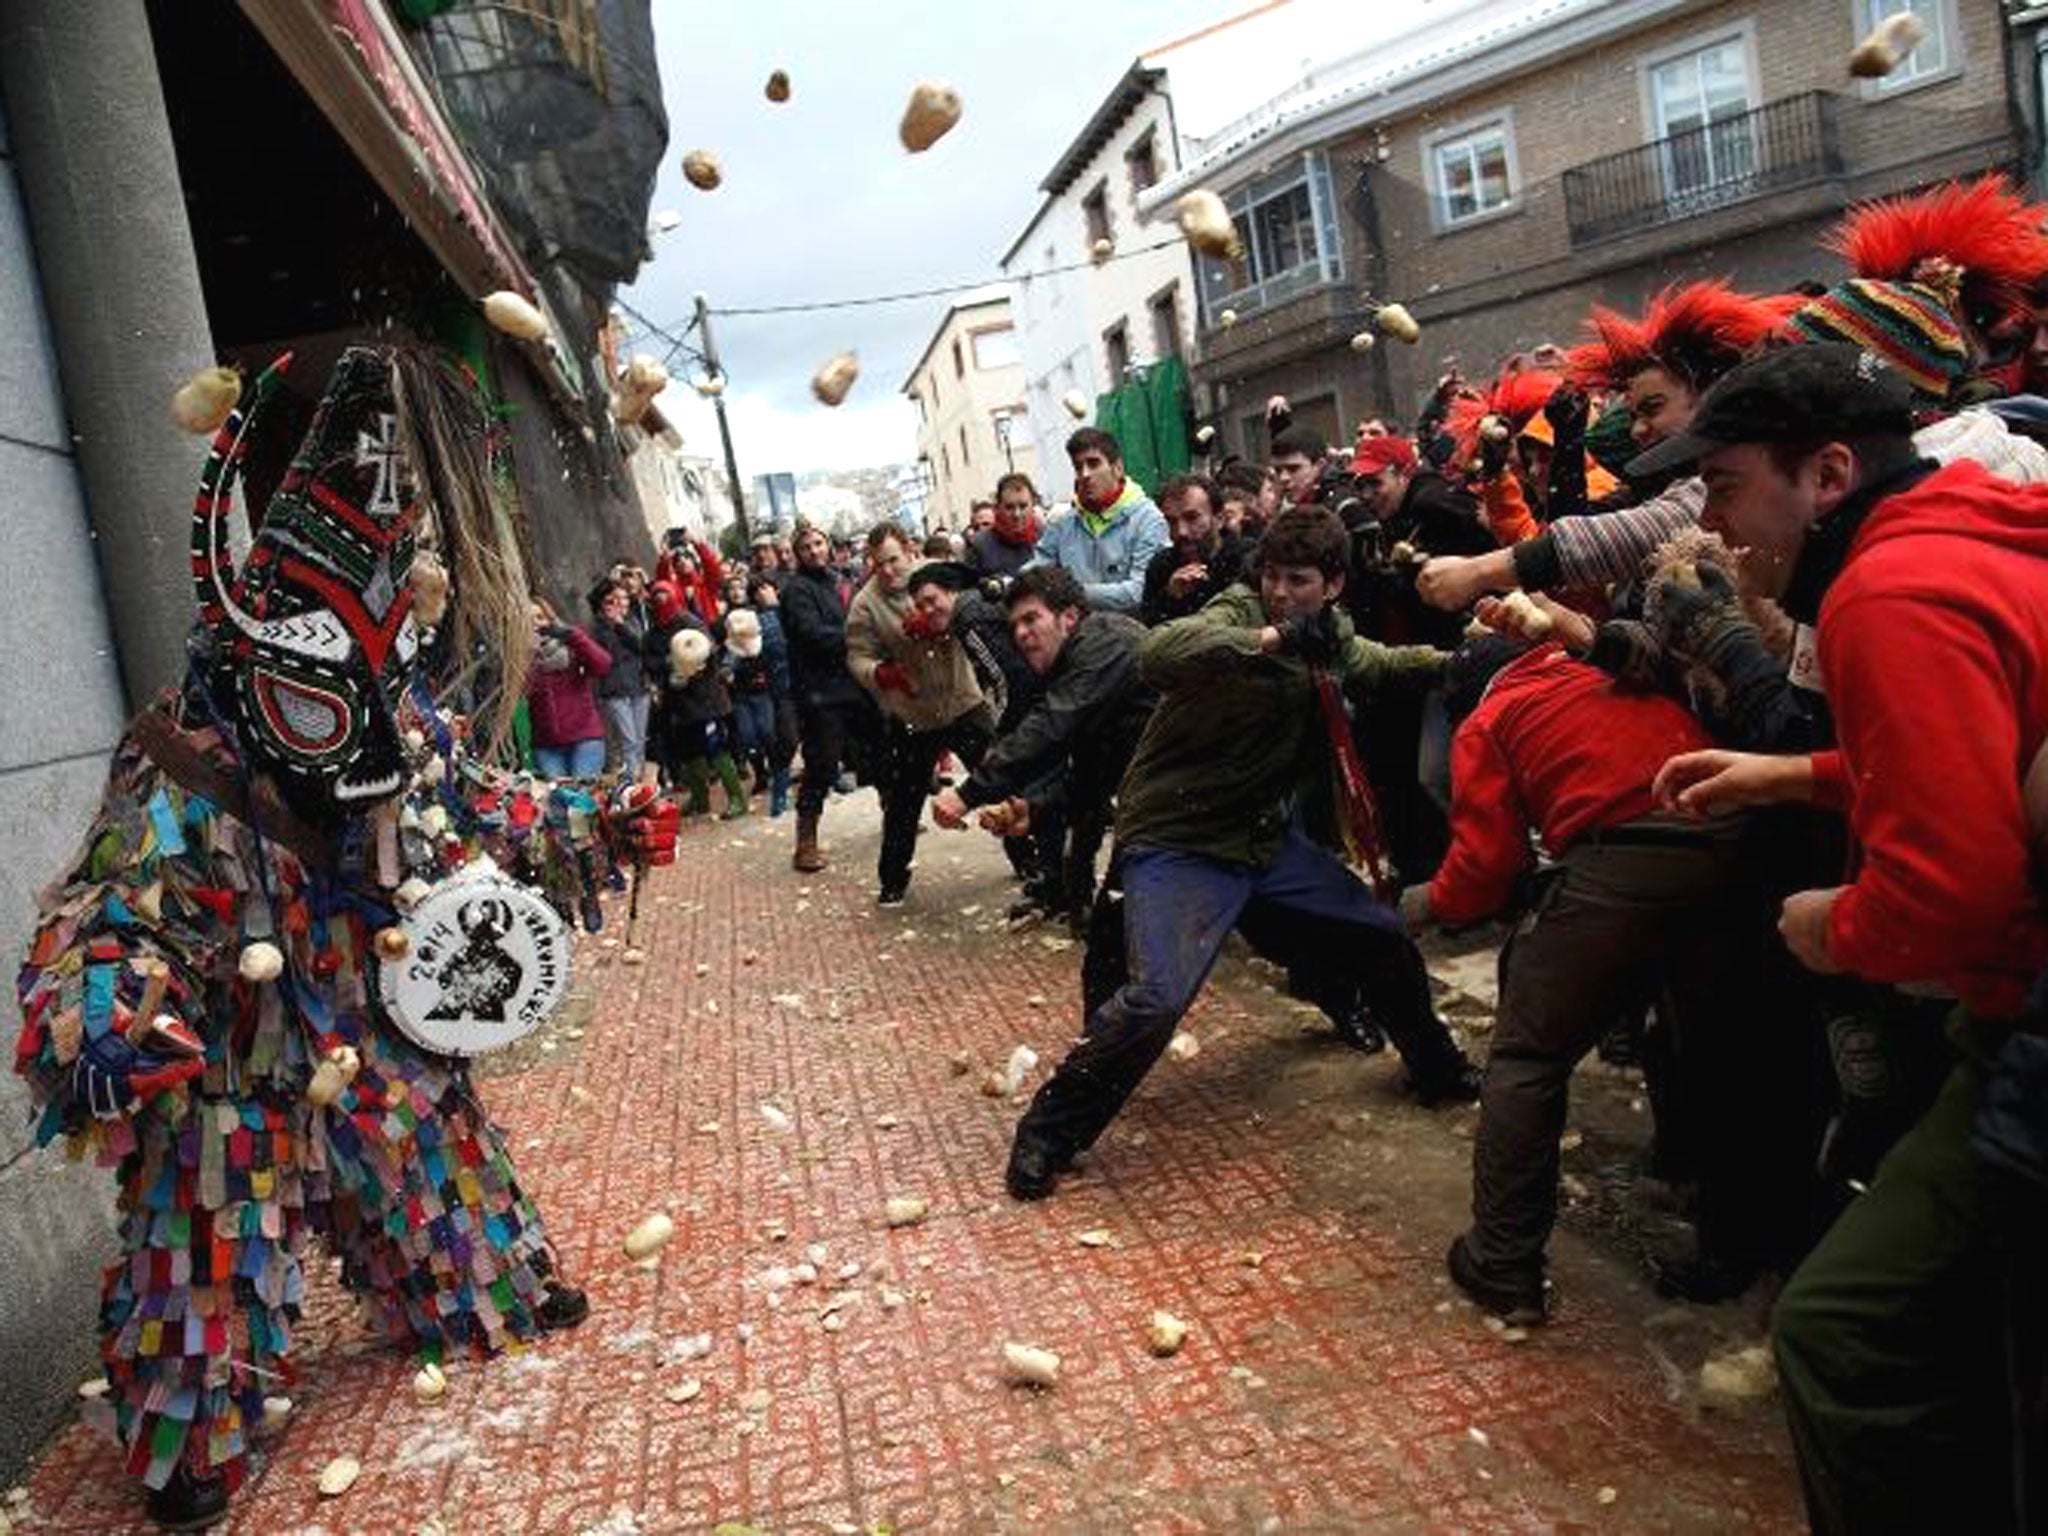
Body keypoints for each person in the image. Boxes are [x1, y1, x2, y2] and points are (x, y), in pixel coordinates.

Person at [8, 348, 665, 1529]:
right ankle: (191, 1434)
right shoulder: (184, 771)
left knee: (449, 1197)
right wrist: (110, 1013)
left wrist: (596, 814)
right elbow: (106, 915)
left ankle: (475, 1294)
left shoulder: (402, 725)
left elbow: (478, 806)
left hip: (386, 1050)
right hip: (238, 1084)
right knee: (204, 1244)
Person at [1641, 343, 2048, 1535]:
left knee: (1839, 1333)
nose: (1713, 529)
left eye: (1722, 488)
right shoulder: (1979, 529)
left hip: (2016, 1018)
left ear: (1823, 473)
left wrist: (1833, 927)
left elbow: (1951, 887)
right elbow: (1978, 749)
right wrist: (1795, 773)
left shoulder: (1886, 591)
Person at [1003, 506, 1479, 1201]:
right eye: (1273, 578)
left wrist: (1463, 664)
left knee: (1378, 934)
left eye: (1299, 581)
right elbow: (1162, 653)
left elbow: (1373, 662)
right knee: (1156, 998)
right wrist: (1268, 636)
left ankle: (1437, 1069)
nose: (1282, 592)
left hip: (1260, 838)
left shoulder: (1328, 632)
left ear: (1334, 584)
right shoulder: (1239, 613)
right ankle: (1049, 1132)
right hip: (1179, 839)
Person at [1410, 643, 1795, 1323]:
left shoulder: (1491, 715)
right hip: (1740, 844)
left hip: (1628, 857)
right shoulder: (1601, 669)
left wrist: (1426, 905)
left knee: (1528, 1057)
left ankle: (1503, 1264)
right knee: (1716, 1048)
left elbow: (1486, 864)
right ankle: (1728, 1246)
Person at [930, 565, 1155, 927]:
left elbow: (1049, 726)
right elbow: (1089, 778)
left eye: (1031, 619)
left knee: (1116, 933)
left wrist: (968, 793)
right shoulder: (1076, 664)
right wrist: (1036, 810)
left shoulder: (1103, 646)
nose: (1021, 633)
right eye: (1015, 624)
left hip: (1199, 800)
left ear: (1069, 617)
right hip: (1163, 802)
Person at [844, 525, 993, 905]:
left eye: (894, 560)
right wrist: (880, 673)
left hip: (963, 699)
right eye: (879, 565)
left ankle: (1031, 862)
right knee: (903, 803)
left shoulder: (939, 574)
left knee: (997, 778)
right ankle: (892, 879)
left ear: (909, 550)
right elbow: (858, 655)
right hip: (913, 713)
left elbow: (979, 599)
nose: (889, 571)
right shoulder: (865, 604)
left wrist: (941, 619)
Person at [782, 523, 869, 871]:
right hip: (819, 693)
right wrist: (857, 637)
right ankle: (805, 843)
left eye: (819, 544)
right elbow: (811, 635)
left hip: (853, 684)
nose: (815, 551)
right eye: (806, 547)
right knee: (821, 765)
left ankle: (897, 816)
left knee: (877, 751)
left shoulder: (840, 581)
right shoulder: (795, 591)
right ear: (797, 553)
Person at [1029, 428, 1168, 614]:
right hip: (1079, 637)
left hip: (1133, 635)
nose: (1085, 474)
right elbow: (1036, 572)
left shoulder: (1149, 520)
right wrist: (1007, 583)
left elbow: (1138, 592)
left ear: (1117, 468)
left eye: (1093, 464)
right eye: (1078, 467)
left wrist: (1072, 592)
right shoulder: (1062, 524)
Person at [729, 576, 798, 816]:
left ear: (775, 588)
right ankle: (780, 790)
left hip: (807, 683)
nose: (761, 593)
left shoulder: (793, 608)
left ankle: (829, 779)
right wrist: (730, 668)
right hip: (780, 689)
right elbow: (738, 648)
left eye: (764, 588)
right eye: (755, 591)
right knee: (786, 740)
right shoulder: (754, 620)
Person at [1140, 473, 1245, 625]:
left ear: (1219, 519)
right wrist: (1170, 596)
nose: (1180, 531)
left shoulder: (1245, 560)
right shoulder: (1161, 566)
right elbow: (1149, 628)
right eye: (1171, 521)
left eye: (1192, 518)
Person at [526, 595, 611, 779]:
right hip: (547, 746)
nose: (536, 624)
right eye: (528, 619)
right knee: (556, 802)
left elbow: (603, 664)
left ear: (551, 619)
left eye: (540, 617)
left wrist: (572, 635)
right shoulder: (523, 659)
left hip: (585, 740)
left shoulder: (571, 649)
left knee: (582, 802)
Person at [587, 576, 650, 782]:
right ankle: (631, 782)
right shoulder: (597, 627)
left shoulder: (632, 620)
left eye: (622, 598)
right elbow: (604, 657)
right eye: (611, 600)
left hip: (639, 686)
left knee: (639, 739)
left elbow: (641, 647)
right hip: (614, 690)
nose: (619, 604)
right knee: (628, 739)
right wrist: (609, 624)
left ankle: (639, 781)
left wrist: (620, 625)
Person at [968, 472, 1043, 580]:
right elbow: (967, 590)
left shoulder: (1048, 538)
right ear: (998, 507)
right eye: (1009, 507)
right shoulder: (979, 545)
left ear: (1033, 504)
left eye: (1023, 506)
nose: (1017, 514)